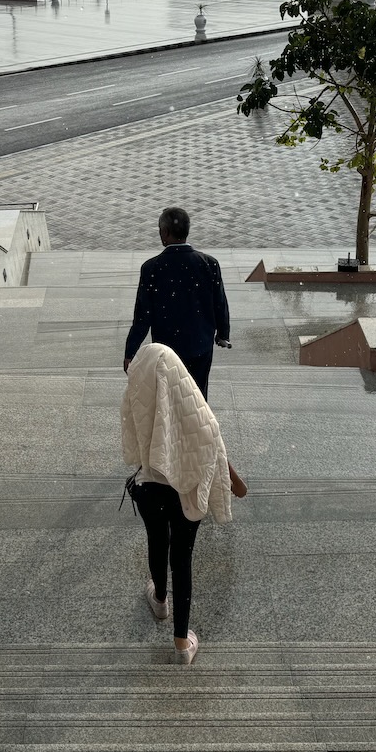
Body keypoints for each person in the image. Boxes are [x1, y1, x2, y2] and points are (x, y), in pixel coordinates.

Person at [122, 342, 242, 665]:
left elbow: (132, 440)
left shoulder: (137, 386)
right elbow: (212, 443)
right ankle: (181, 644)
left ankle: (160, 599)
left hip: (150, 487)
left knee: (157, 543)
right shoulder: (192, 402)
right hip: (186, 493)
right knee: (182, 560)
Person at [125, 207, 230, 401]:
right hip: (201, 345)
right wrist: (222, 334)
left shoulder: (151, 268)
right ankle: (198, 429)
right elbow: (220, 303)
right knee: (197, 397)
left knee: (168, 400)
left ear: (164, 232)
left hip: (167, 349)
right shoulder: (209, 263)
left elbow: (142, 316)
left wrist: (131, 352)